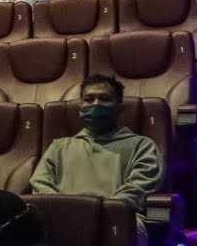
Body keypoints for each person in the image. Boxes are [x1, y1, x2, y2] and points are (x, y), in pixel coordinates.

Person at [30, 74, 162, 228]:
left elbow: (137, 189)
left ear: (119, 107)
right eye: (89, 99)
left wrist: (96, 214)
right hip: (62, 219)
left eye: (105, 99)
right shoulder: (59, 146)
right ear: (80, 109)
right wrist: (66, 211)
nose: (96, 104)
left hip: (115, 220)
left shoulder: (142, 145)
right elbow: (40, 184)